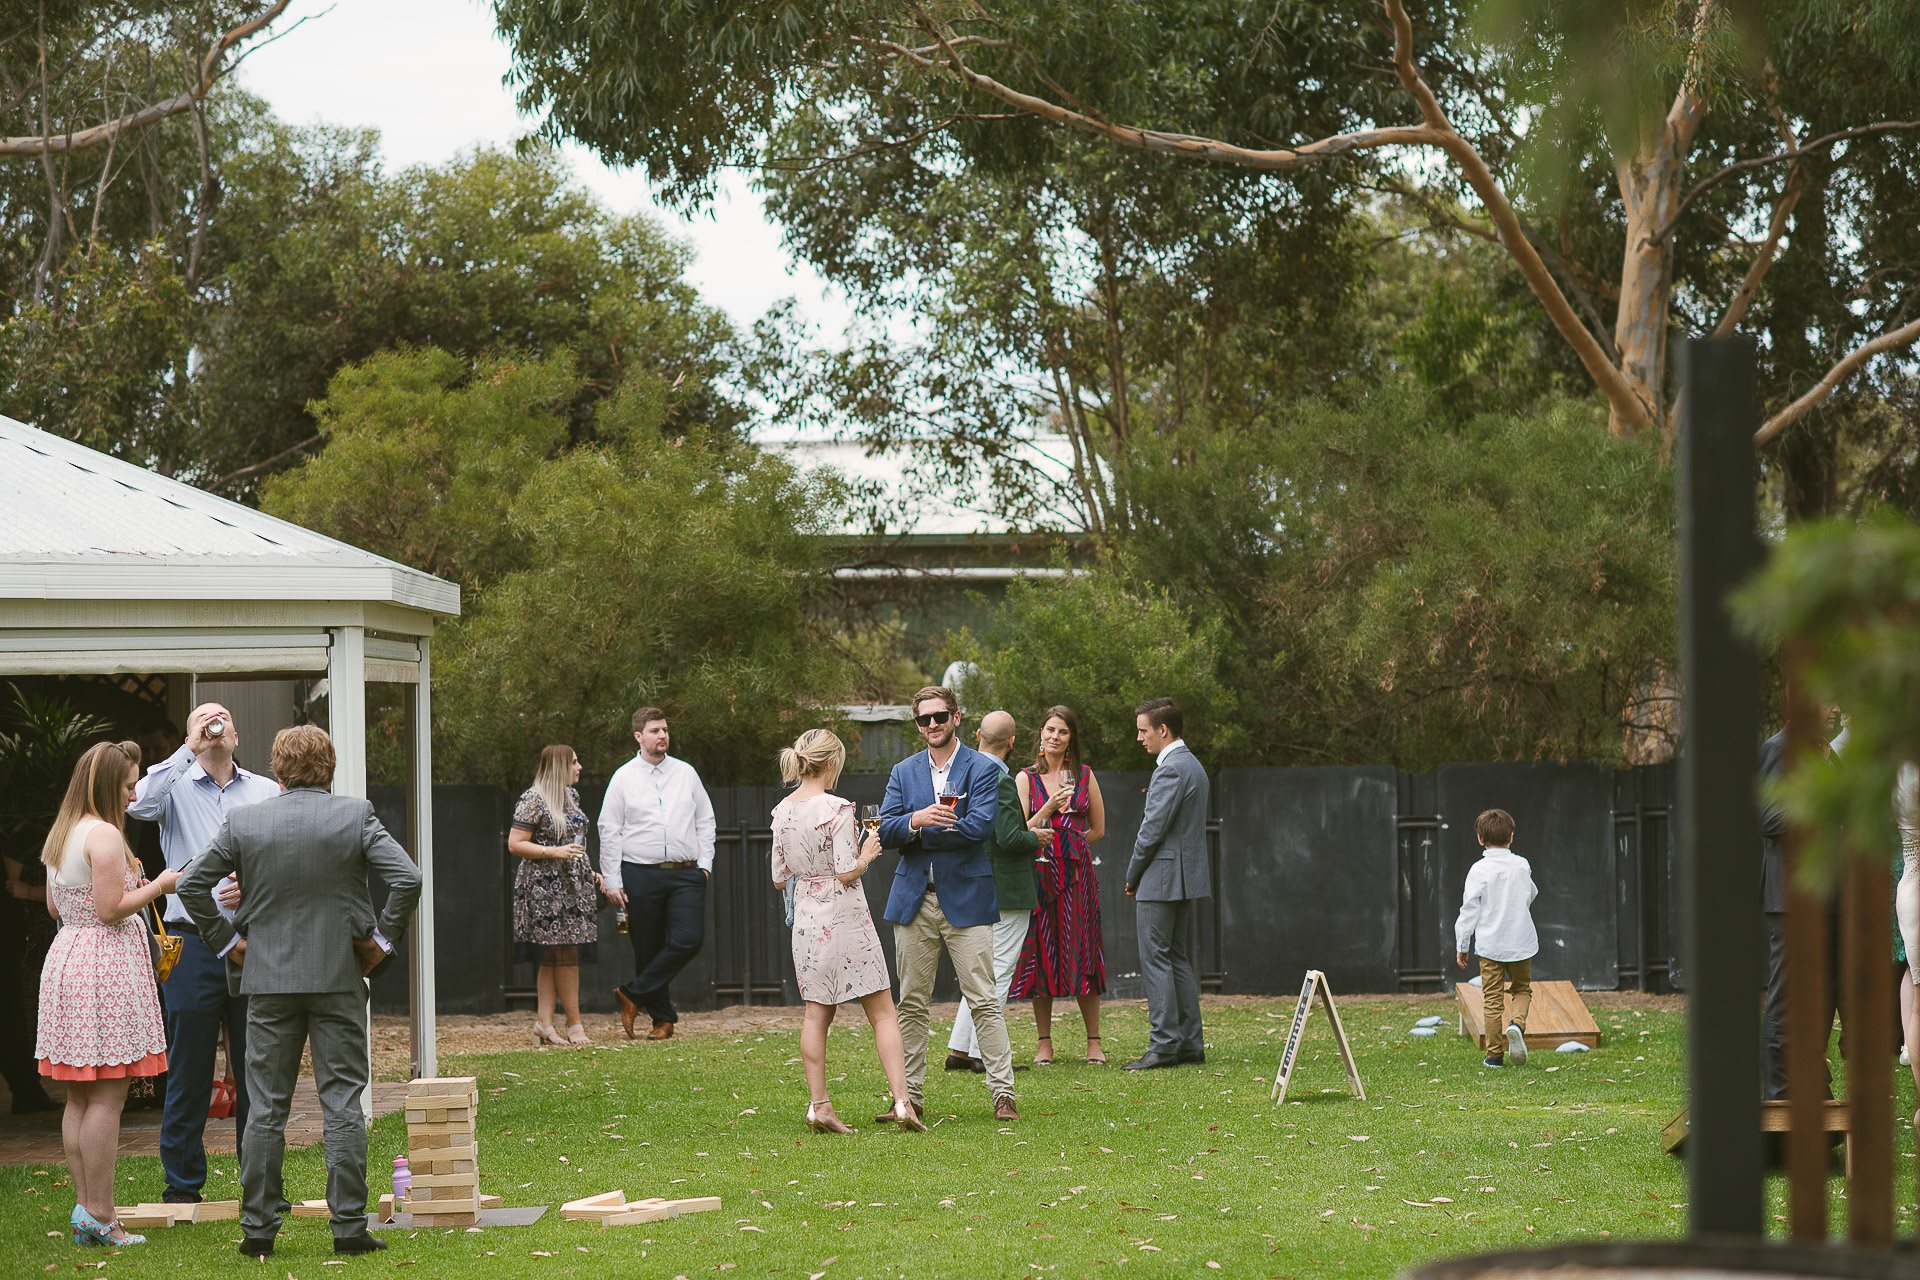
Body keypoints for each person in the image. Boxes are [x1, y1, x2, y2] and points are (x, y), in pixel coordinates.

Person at [178, 725, 421, 1259]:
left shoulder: (246, 821)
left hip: (266, 981)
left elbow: (192, 883)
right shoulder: (355, 816)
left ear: (278, 770)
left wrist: (227, 942)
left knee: (264, 1107)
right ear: (329, 769)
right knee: (341, 1104)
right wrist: (380, 942)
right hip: (338, 978)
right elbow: (407, 878)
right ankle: (349, 1228)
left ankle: (259, 1230)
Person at [128, 702, 278, 1204]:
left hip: (251, 939)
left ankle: (258, 1184)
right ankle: (183, 1186)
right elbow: (136, 805)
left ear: (237, 733)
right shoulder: (171, 786)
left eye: (221, 718)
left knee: (256, 1066)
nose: (214, 725)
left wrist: (255, 886)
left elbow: (283, 855)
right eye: (204, 719)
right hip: (190, 940)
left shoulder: (266, 791)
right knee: (189, 1066)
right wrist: (186, 749)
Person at [35, 740, 176, 1246]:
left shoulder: (63, 832)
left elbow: (55, 907)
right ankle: (103, 1214)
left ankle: (84, 1209)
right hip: (104, 967)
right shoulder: (106, 836)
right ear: (105, 785)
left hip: (67, 961)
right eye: (129, 784)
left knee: (78, 1094)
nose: (134, 793)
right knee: (109, 1096)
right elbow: (112, 908)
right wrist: (160, 884)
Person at [770, 729, 925, 1133]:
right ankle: (903, 1103)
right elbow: (845, 870)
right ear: (831, 763)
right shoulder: (837, 808)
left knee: (816, 1014)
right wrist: (868, 854)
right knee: (882, 1011)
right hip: (846, 916)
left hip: (807, 920)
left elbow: (779, 877)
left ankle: (819, 1106)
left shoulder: (781, 812)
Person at [878, 685, 1019, 1122]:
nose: (933, 725)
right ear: (917, 724)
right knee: (911, 1004)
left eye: (940, 717)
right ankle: (909, 1098)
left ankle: (1003, 1095)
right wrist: (917, 820)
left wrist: (915, 830)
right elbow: (884, 831)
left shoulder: (982, 768)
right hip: (913, 901)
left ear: (957, 718)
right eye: (924, 720)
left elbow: (979, 826)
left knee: (984, 999)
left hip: (968, 898)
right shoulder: (903, 771)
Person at [946, 711, 1057, 1074]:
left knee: (979, 971)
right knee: (998, 970)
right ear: (1012, 742)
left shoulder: (962, 772)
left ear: (977, 734)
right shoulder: (1001, 778)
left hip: (973, 881)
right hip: (1006, 887)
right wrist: (1036, 837)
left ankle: (960, 1049)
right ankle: (982, 1051)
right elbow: (1009, 838)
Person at [600, 707, 716, 1042]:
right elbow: (610, 830)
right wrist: (612, 879)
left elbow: (705, 820)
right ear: (638, 736)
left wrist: (704, 865)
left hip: (685, 874)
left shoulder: (686, 773)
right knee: (646, 949)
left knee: (688, 939)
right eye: (654, 731)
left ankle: (631, 994)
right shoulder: (623, 777)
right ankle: (662, 1020)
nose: (662, 735)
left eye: (665, 729)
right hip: (639, 874)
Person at [1008, 706, 1109, 1064]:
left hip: (1078, 876)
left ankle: (1094, 1041)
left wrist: (1073, 849)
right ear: (1040, 734)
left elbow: (1097, 828)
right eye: (1050, 729)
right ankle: (1043, 1043)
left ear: (1071, 739)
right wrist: (1050, 807)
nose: (1055, 736)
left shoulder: (1083, 775)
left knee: (1084, 953)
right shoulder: (1024, 778)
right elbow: (1021, 830)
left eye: (1062, 732)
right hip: (1039, 872)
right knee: (1041, 955)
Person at [1123, 697, 1210, 1071]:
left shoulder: (1171, 769)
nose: (1140, 738)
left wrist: (1132, 874)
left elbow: (1151, 831)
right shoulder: (1193, 765)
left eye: (1143, 731)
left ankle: (1163, 1046)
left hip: (1161, 877)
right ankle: (1189, 1044)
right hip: (1183, 877)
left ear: (1162, 730)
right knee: (1175, 957)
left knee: (1156, 957)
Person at [508, 745, 604, 1046]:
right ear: (560, 766)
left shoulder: (571, 797)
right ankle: (574, 1025)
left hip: (572, 884)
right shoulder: (533, 799)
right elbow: (515, 843)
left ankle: (543, 1024)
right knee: (565, 956)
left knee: (554, 958)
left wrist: (589, 871)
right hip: (544, 888)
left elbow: (574, 841)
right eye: (574, 762)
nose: (580, 767)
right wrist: (555, 852)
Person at [1453, 808, 1539, 1068]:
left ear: (1480, 838)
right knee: (1522, 989)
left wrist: (1462, 945)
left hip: (1490, 945)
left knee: (1492, 999)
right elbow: (1531, 894)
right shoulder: (1522, 865)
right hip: (1521, 942)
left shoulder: (1478, 870)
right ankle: (1517, 1025)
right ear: (1511, 836)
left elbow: (1469, 910)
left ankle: (1494, 1056)